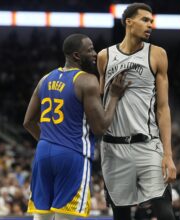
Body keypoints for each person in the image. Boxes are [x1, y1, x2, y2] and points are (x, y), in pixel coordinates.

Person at [23, 34, 129, 220]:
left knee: (42, 217)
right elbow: (101, 127)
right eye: (90, 50)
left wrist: (51, 142)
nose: (95, 54)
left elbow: (28, 122)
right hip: (71, 154)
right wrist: (114, 96)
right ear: (76, 56)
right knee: (67, 217)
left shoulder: (45, 79)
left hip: (43, 152)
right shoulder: (87, 80)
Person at [97, 3, 177, 220]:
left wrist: (168, 155)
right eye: (145, 20)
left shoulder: (158, 54)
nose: (150, 25)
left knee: (165, 212)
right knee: (121, 215)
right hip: (113, 148)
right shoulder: (105, 56)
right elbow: (99, 104)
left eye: (151, 21)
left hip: (147, 144)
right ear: (128, 22)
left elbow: (163, 108)